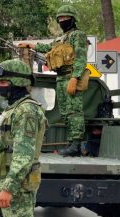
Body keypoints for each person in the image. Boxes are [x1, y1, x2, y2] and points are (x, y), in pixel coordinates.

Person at [0, 59, 47, 217]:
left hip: (17, 189)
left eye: (3, 82)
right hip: (5, 183)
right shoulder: (13, 109)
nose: (0, 86)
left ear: (17, 82)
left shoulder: (26, 111)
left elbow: (24, 156)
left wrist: (8, 189)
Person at [19, 5, 87, 156]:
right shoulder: (60, 39)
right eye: (60, 18)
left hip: (71, 76)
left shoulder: (78, 35)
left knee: (74, 111)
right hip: (61, 77)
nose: (62, 20)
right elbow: (48, 47)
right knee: (65, 112)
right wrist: (31, 45)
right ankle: (71, 143)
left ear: (73, 19)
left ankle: (76, 145)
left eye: (65, 18)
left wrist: (75, 78)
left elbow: (81, 58)